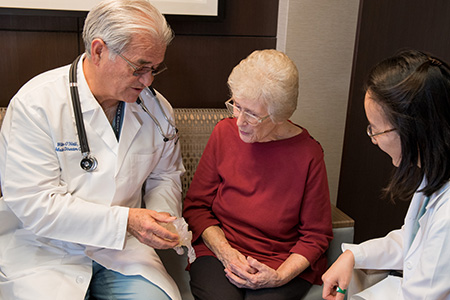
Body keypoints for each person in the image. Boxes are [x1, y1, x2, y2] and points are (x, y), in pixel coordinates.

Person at [0, 0, 186, 299]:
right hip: (46, 248)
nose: (148, 80)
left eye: (154, 69)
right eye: (140, 67)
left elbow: (165, 176)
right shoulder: (36, 104)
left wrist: (159, 218)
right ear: (99, 51)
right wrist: (128, 220)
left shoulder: (156, 109)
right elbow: (36, 204)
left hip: (123, 248)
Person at [182, 49, 333, 300]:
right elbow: (196, 207)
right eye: (236, 106)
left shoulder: (308, 154)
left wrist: (280, 276)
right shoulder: (223, 133)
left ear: (279, 115)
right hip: (220, 249)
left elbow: (316, 235)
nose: (239, 121)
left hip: (280, 258)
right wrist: (227, 253)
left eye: (251, 114)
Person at [322, 49, 450, 300]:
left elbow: (420, 296)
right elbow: (414, 241)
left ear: (413, 129)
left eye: (376, 130)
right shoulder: (436, 172)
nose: (373, 139)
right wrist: (354, 255)